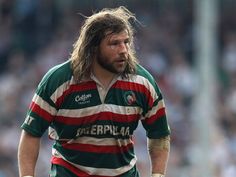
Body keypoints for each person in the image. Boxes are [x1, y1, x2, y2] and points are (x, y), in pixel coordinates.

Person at [18, 6, 170, 177]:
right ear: (93, 47)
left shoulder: (142, 82)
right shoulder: (59, 80)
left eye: (126, 42)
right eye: (114, 43)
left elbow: (160, 134)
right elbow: (32, 133)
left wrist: (158, 174)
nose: (124, 50)